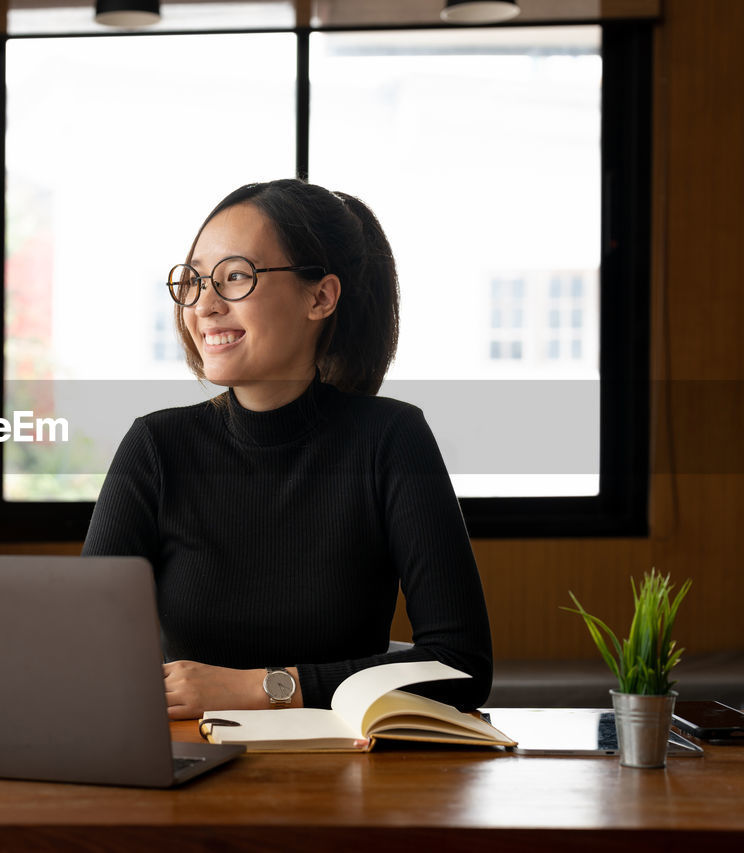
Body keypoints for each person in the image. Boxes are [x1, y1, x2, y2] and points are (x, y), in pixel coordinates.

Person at [81, 178, 492, 719]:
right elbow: (84, 653)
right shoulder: (156, 446)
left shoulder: (392, 438)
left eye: (234, 277)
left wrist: (264, 688)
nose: (203, 305)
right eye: (195, 280)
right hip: (188, 769)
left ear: (319, 296)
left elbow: (459, 664)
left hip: (348, 777)